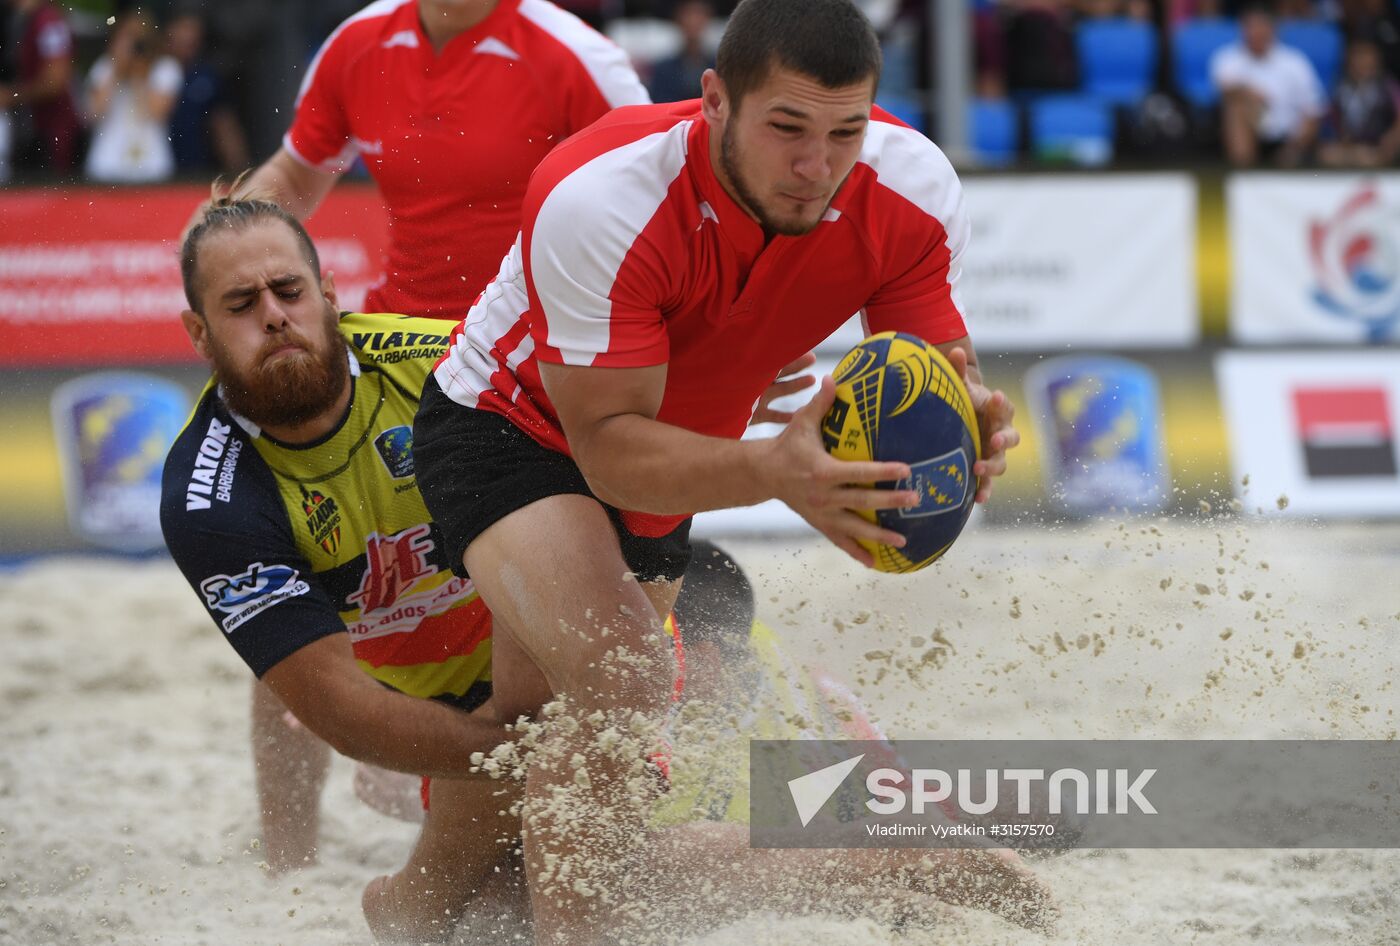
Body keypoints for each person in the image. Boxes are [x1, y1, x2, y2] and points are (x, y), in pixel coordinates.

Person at [412, 0, 1020, 939]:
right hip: (512, 426)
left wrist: (969, 421)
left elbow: (933, 377)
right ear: (713, 102)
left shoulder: (912, 189)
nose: (817, 166)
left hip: (681, 452)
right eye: (786, 128)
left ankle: (421, 906)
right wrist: (776, 469)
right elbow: (608, 451)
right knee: (620, 679)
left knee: (538, 726)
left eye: (844, 132)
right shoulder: (601, 195)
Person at [159, 185, 841, 944]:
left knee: (616, 865)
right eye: (241, 304)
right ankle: (391, 878)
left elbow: (611, 410)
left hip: (591, 655)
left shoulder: (439, 366)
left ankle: (420, 893)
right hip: (469, 734)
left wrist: (712, 387)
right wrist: (531, 762)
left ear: (327, 293)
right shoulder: (210, 498)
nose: (274, 315)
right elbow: (335, 710)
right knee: (538, 890)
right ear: (199, 332)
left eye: (288, 291)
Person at [234, 0, 650, 319]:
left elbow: (657, 205)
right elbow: (292, 180)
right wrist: (217, 239)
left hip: (530, 339)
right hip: (397, 329)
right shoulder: (357, 41)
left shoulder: (578, 55)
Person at [1210, 4, 1327, 167]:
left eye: (1261, 26)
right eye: (1250, 27)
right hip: (1251, 133)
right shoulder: (1228, 59)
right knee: (1236, 107)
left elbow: (1313, 109)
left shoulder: (1295, 62)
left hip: (1289, 138)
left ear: (1273, 29)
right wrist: (1247, 92)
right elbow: (1223, 90)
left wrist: (1295, 147)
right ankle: (1243, 170)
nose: (1255, 32)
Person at [84, 13, 183, 183]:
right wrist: (117, 70)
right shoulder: (105, 66)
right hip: (107, 164)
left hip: (152, 165)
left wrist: (140, 74)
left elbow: (157, 113)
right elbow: (93, 113)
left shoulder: (165, 68)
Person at [1, 0, 81, 174]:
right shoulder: (27, 20)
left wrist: (11, 95)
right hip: (36, 130)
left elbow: (56, 80)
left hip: (54, 133)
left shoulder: (49, 23)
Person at [166, 13, 251, 175]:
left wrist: (240, 171)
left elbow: (223, 124)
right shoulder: (150, 70)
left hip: (197, 171)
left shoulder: (207, 77)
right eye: (183, 29)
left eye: (193, 30)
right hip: (155, 167)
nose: (188, 36)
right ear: (169, 33)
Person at [1317, 37, 1400, 167]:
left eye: (1366, 56)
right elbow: (1327, 119)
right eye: (1358, 56)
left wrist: (1391, 139)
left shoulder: (1387, 86)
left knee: (1373, 156)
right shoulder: (1340, 87)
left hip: (1377, 147)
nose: (1362, 61)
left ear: (1376, 60)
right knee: (1327, 154)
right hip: (1348, 148)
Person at [647, 0, 715, 103]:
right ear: (678, 19)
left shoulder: (719, 66)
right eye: (688, 14)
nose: (693, 21)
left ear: (707, 18)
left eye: (698, 14)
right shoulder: (663, 69)